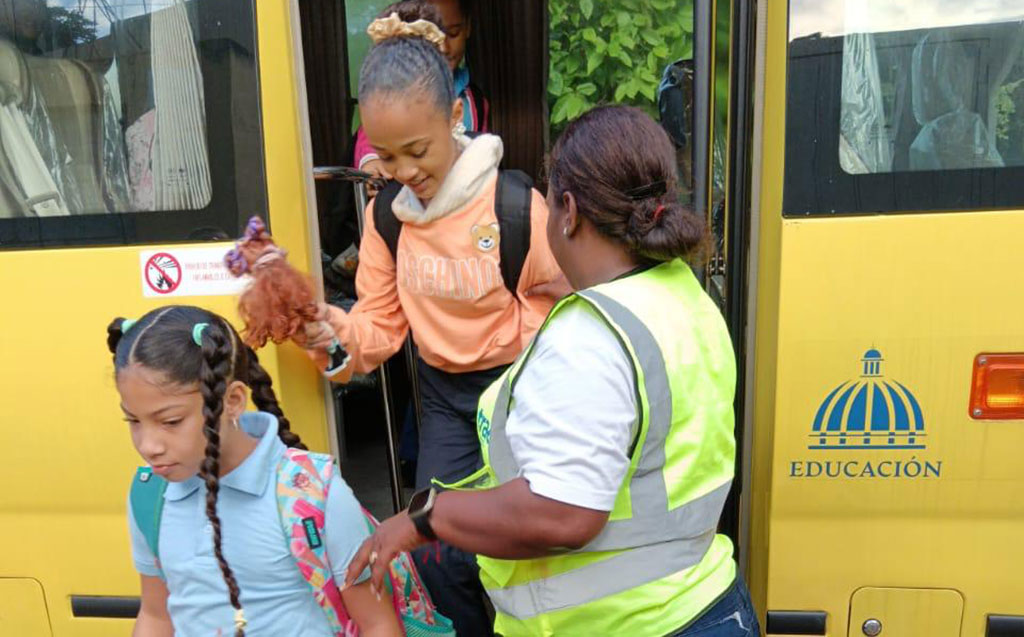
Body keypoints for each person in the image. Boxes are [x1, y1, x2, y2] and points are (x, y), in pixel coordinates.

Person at [341, 105, 761, 637]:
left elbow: (564, 513)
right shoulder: (683, 296)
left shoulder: (589, 336)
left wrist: (428, 517)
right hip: (708, 604)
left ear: (566, 210)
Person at [301, 8, 562, 635]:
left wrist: (514, 344)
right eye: (386, 157)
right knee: (443, 555)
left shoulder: (512, 205)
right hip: (443, 400)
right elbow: (379, 326)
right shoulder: (387, 218)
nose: (404, 172)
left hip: (521, 393)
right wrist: (335, 335)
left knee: (529, 547)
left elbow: (563, 306)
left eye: (417, 150)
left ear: (454, 119)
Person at [108, 306, 402, 636]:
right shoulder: (151, 495)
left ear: (233, 401)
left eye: (171, 421)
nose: (149, 445)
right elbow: (156, 615)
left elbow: (377, 623)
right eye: (133, 420)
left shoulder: (314, 493)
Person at [354, 0, 488, 188]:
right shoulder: (395, 90)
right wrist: (371, 160)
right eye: (436, 36)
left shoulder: (477, 103)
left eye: (453, 33)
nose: (445, 47)